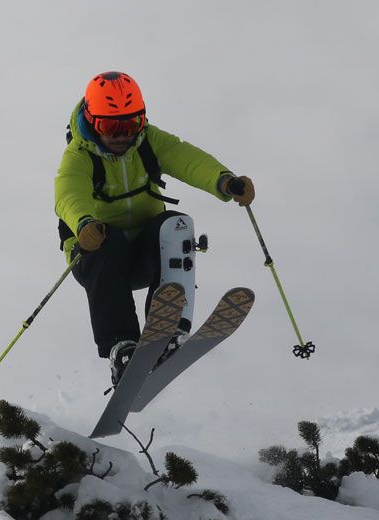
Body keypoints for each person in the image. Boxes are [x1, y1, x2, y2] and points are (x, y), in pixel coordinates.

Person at [55, 71, 254, 385]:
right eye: (111, 127)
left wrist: (224, 180)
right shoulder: (79, 158)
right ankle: (122, 347)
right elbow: (69, 194)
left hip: (147, 254)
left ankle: (170, 330)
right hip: (100, 255)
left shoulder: (148, 142)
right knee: (112, 240)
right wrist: (84, 224)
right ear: (93, 122)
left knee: (176, 224)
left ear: (142, 120)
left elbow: (186, 158)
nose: (121, 135)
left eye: (130, 125)